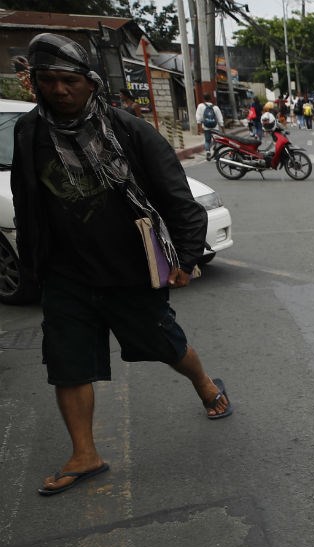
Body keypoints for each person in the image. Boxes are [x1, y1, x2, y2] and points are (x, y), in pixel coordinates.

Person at [11, 33, 231, 497]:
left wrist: (187, 258)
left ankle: (205, 383)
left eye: (68, 80)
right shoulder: (30, 131)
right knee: (66, 363)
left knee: (165, 343)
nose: (59, 90)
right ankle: (84, 453)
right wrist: (34, 265)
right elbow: (25, 197)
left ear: (90, 82)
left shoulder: (130, 131)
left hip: (129, 269)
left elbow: (177, 197)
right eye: (47, 80)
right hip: (65, 273)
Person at [195, 93, 223, 160]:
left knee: (207, 140)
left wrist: (199, 128)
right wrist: (223, 128)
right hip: (215, 127)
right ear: (210, 99)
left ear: (203, 99)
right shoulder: (215, 107)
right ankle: (217, 154)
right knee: (216, 141)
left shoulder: (200, 106)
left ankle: (208, 151)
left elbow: (198, 118)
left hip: (206, 127)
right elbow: (220, 118)